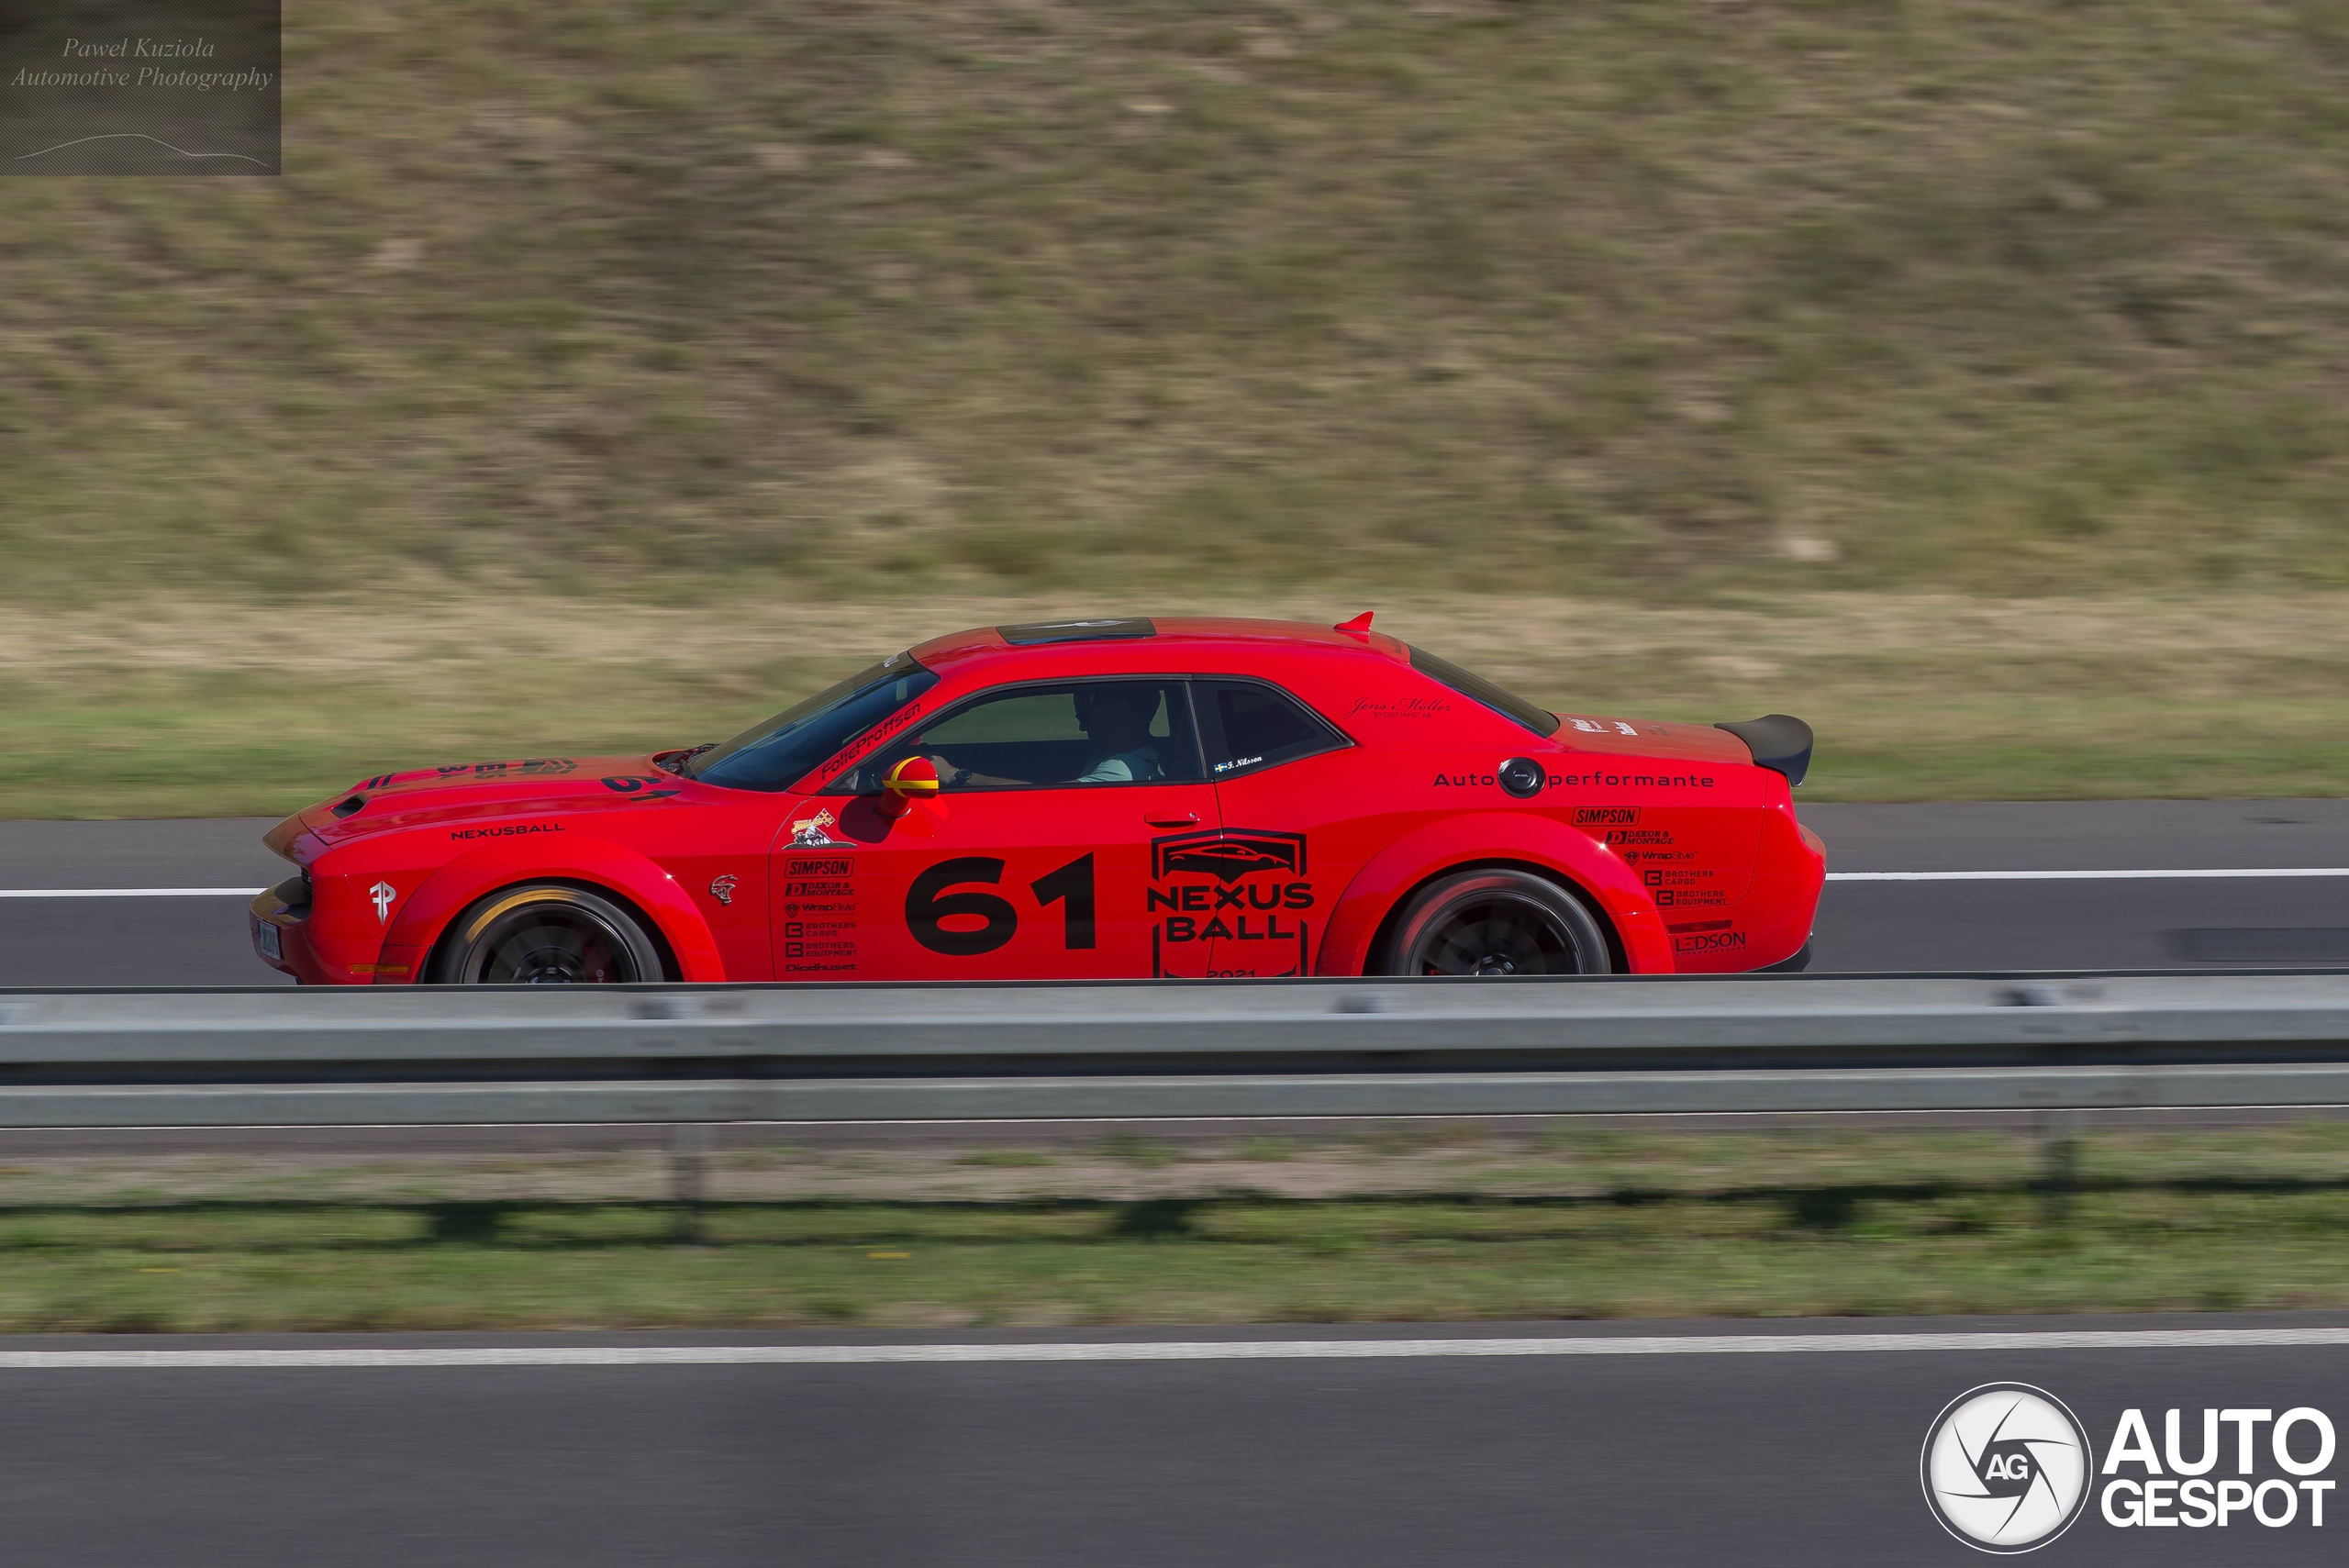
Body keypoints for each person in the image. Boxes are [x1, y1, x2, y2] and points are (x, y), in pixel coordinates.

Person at [1073, 686, 1164, 783]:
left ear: (1120, 711)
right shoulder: (1145, 756)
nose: (1081, 728)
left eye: (1085, 718)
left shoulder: (1124, 767)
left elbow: (1059, 794)